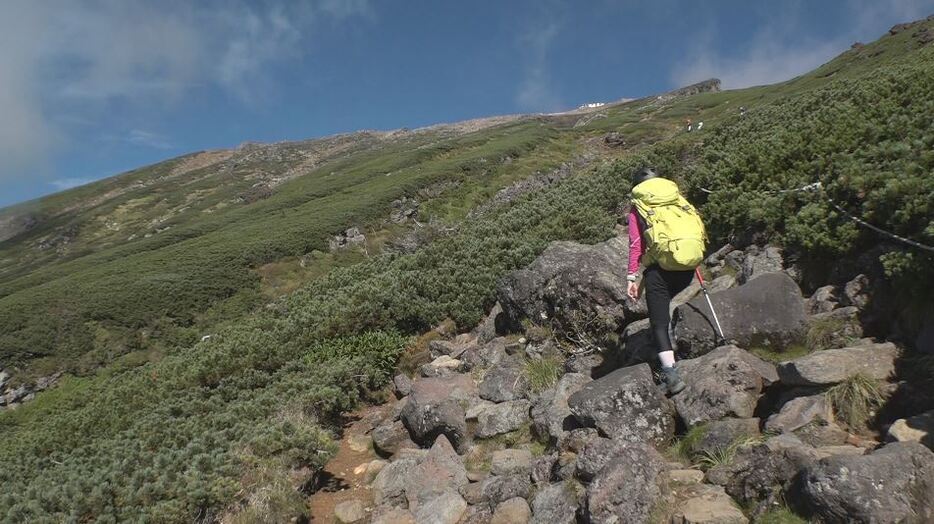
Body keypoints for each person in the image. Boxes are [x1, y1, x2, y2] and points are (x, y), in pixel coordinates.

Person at [625, 167, 705, 395]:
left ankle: (671, 374)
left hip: (661, 272)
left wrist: (632, 277)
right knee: (665, 310)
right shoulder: (677, 200)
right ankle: (674, 348)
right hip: (688, 266)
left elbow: (636, 245)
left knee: (659, 322)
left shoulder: (638, 208)